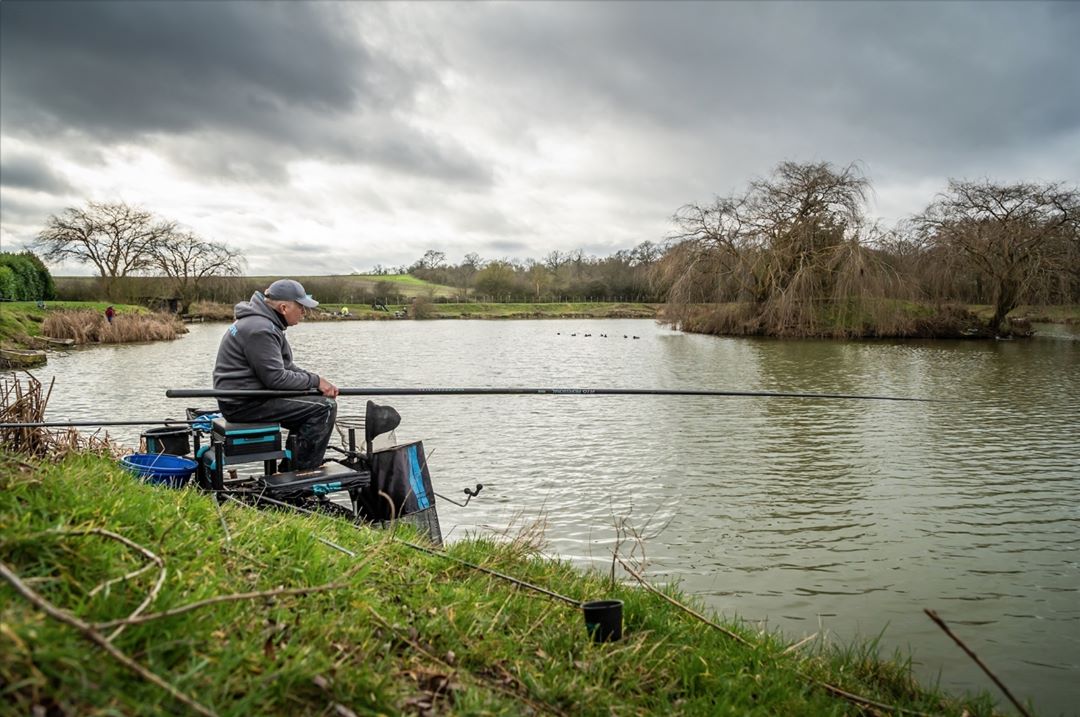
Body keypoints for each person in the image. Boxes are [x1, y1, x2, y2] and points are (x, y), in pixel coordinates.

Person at [212, 279, 340, 470]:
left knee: (316, 399)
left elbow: (286, 367)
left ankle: (292, 466)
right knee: (325, 408)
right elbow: (276, 379)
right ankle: (300, 476)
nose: (304, 313)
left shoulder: (262, 323)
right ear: (284, 308)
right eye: (301, 307)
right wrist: (314, 381)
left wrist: (317, 382)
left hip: (249, 396)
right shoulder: (261, 329)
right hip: (243, 404)